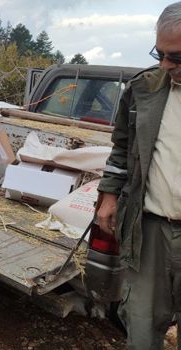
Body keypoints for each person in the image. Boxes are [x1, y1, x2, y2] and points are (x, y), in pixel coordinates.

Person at [96, 3, 181, 349]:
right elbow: (122, 147)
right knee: (142, 330)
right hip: (149, 232)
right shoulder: (144, 89)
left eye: (175, 57)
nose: (165, 65)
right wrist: (110, 195)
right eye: (159, 53)